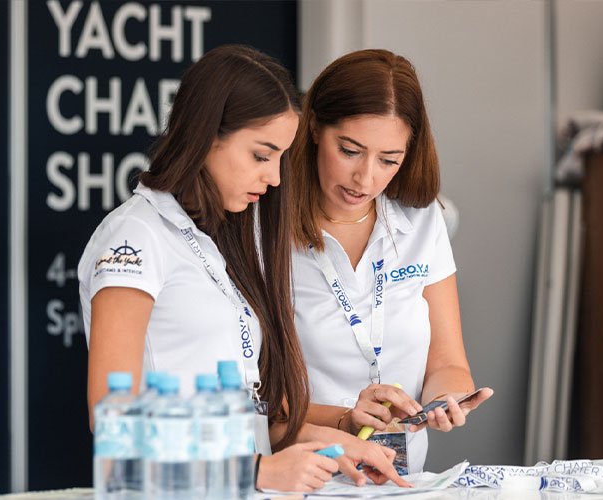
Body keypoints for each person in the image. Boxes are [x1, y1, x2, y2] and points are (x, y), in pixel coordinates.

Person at [78, 45, 407, 492]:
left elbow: (250, 423)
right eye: (260, 155)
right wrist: (258, 471)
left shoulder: (215, 241)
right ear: (206, 135)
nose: (274, 178)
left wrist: (337, 442)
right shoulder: (135, 237)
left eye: (280, 158)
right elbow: (112, 422)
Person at [288, 49, 494, 474]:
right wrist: (345, 418)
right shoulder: (264, 228)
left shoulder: (422, 221)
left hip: (399, 480)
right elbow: (254, 396)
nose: (366, 179)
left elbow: (448, 363)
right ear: (312, 129)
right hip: (299, 478)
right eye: (349, 151)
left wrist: (443, 401)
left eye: (389, 160)